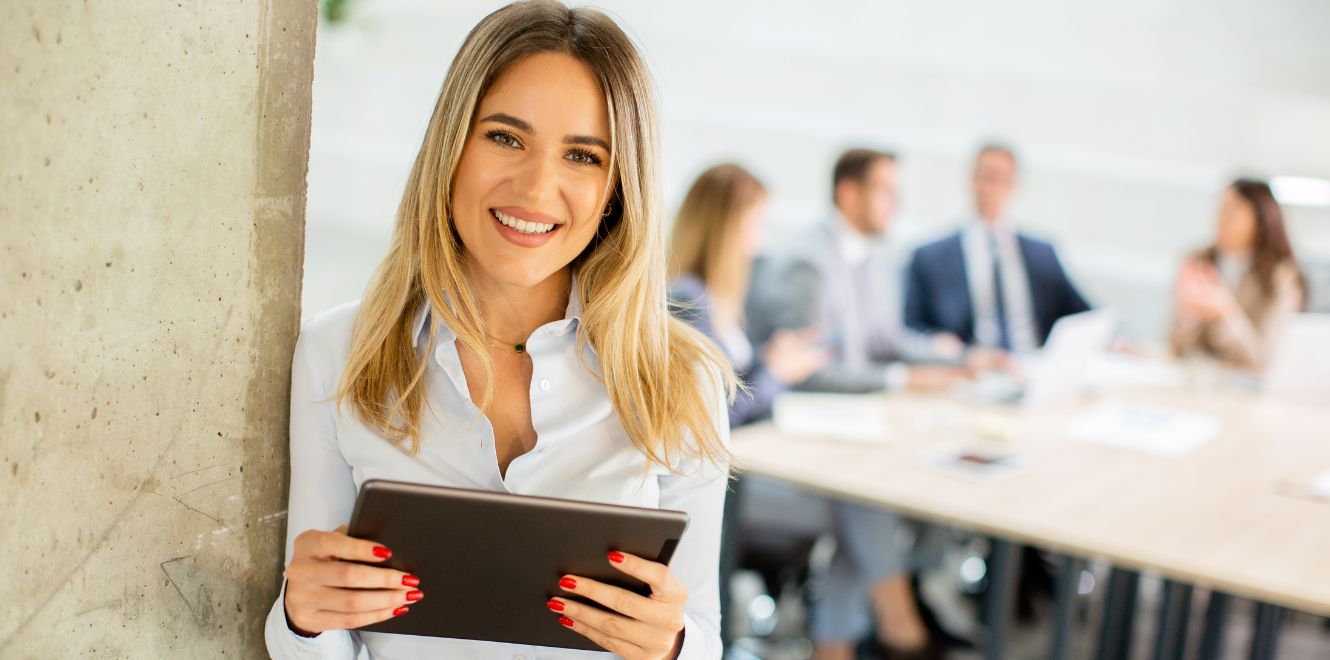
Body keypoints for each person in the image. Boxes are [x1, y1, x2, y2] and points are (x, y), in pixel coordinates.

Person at [264, 3, 734, 658]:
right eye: (506, 138)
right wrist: (302, 617)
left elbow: (704, 635)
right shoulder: (335, 352)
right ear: (451, 146)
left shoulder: (683, 378)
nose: (537, 187)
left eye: (582, 155)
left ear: (617, 189)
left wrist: (674, 644)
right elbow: (314, 634)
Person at [745, 149, 967, 660]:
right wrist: (901, 376)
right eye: (886, 193)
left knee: (877, 500)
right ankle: (898, 625)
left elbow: (887, 337)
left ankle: (851, 642)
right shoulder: (808, 262)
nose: (895, 205)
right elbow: (812, 369)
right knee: (864, 502)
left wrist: (956, 359)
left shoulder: (870, 256)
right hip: (794, 440)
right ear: (849, 193)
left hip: (853, 427)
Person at [667, 163, 828, 426]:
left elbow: (732, 382)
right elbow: (713, 414)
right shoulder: (686, 299)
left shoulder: (718, 297)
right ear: (726, 229)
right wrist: (776, 373)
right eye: (757, 223)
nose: (760, 240)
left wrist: (770, 357)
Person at [904, 143, 1090, 354]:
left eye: (999, 178)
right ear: (971, 180)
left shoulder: (1042, 253)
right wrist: (937, 344)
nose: (989, 187)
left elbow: (1084, 313)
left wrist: (1116, 339)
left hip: (1031, 362)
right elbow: (909, 329)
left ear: (1013, 184)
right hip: (970, 369)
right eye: (983, 176)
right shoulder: (930, 257)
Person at [1170, 178, 1307, 371]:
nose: (1221, 218)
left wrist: (1224, 312)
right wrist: (1188, 318)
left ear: (1259, 219)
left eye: (1231, 210)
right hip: (1198, 382)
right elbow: (1176, 347)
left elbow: (1262, 360)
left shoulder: (1282, 277)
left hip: (1247, 391)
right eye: (1220, 208)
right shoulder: (1199, 261)